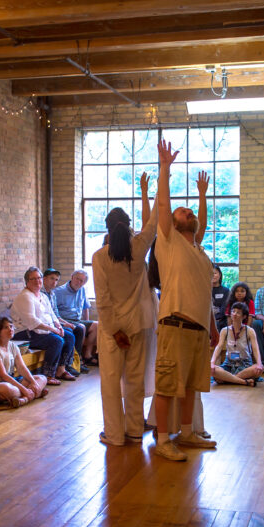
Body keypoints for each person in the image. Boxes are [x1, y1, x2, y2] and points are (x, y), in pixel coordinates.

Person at [151, 139, 217, 461]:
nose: (189, 210)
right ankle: (163, 440)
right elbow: (163, 206)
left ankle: (188, 432)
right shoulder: (169, 241)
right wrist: (165, 169)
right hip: (175, 322)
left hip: (198, 327)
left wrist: (203, 197)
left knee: (191, 386)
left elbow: (201, 222)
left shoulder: (197, 249)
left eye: (191, 211)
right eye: (185, 210)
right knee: (167, 385)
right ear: (174, 224)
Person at [93, 172, 158, 446]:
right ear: (129, 226)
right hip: (140, 324)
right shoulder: (139, 247)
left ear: (107, 228)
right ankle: (133, 429)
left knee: (110, 382)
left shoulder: (100, 257)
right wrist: (151, 191)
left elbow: (103, 300)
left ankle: (115, 435)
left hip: (113, 330)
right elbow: (153, 223)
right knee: (134, 379)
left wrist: (114, 331)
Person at [11, 266, 76, 385]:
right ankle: (48, 374)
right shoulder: (25, 297)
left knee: (69, 336)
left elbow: (52, 314)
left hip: (42, 330)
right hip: (24, 332)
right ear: (27, 281)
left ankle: (61, 369)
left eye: (39, 278)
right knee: (56, 341)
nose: (37, 281)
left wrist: (59, 326)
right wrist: (54, 330)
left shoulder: (43, 296)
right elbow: (32, 322)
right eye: (33, 279)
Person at [0, 317, 47, 411]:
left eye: (11, 326)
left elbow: (22, 368)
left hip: (9, 380)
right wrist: (24, 389)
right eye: (5, 327)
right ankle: (34, 394)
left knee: (42, 378)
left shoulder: (13, 346)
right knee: (10, 390)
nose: (10, 329)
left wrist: (34, 383)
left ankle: (24, 399)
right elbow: (2, 375)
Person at [40, 268, 85, 377]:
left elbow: (56, 315)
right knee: (69, 334)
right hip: (45, 326)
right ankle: (63, 367)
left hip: (54, 323)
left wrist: (63, 323)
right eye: (52, 279)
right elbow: (43, 317)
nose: (54, 282)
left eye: (56, 280)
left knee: (76, 329)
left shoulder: (52, 294)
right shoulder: (40, 294)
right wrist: (61, 326)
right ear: (44, 279)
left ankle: (71, 363)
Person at [211, 302, 263, 387]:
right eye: (233, 311)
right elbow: (219, 347)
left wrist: (259, 363)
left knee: (256, 370)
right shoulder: (225, 330)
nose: (234, 314)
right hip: (229, 363)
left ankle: (227, 379)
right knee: (214, 370)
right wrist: (212, 362)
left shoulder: (249, 331)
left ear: (244, 316)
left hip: (245, 363)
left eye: (238, 312)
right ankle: (243, 382)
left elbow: (255, 348)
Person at [54, 269, 99, 368]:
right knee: (81, 327)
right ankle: (78, 359)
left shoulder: (82, 290)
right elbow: (52, 311)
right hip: (64, 319)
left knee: (96, 325)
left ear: (84, 283)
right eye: (77, 279)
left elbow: (85, 307)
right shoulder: (59, 292)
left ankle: (87, 355)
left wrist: (87, 321)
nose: (78, 282)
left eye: (82, 281)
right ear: (72, 277)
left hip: (77, 320)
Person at [211, 266, 230, 330]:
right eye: (211, 273)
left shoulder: (226, 291)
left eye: (215, 273)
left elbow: (224, 308)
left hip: (221, 320)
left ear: (220, 275)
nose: (213, 275)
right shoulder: (205, 290)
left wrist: (216, 319)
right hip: (206, 320)